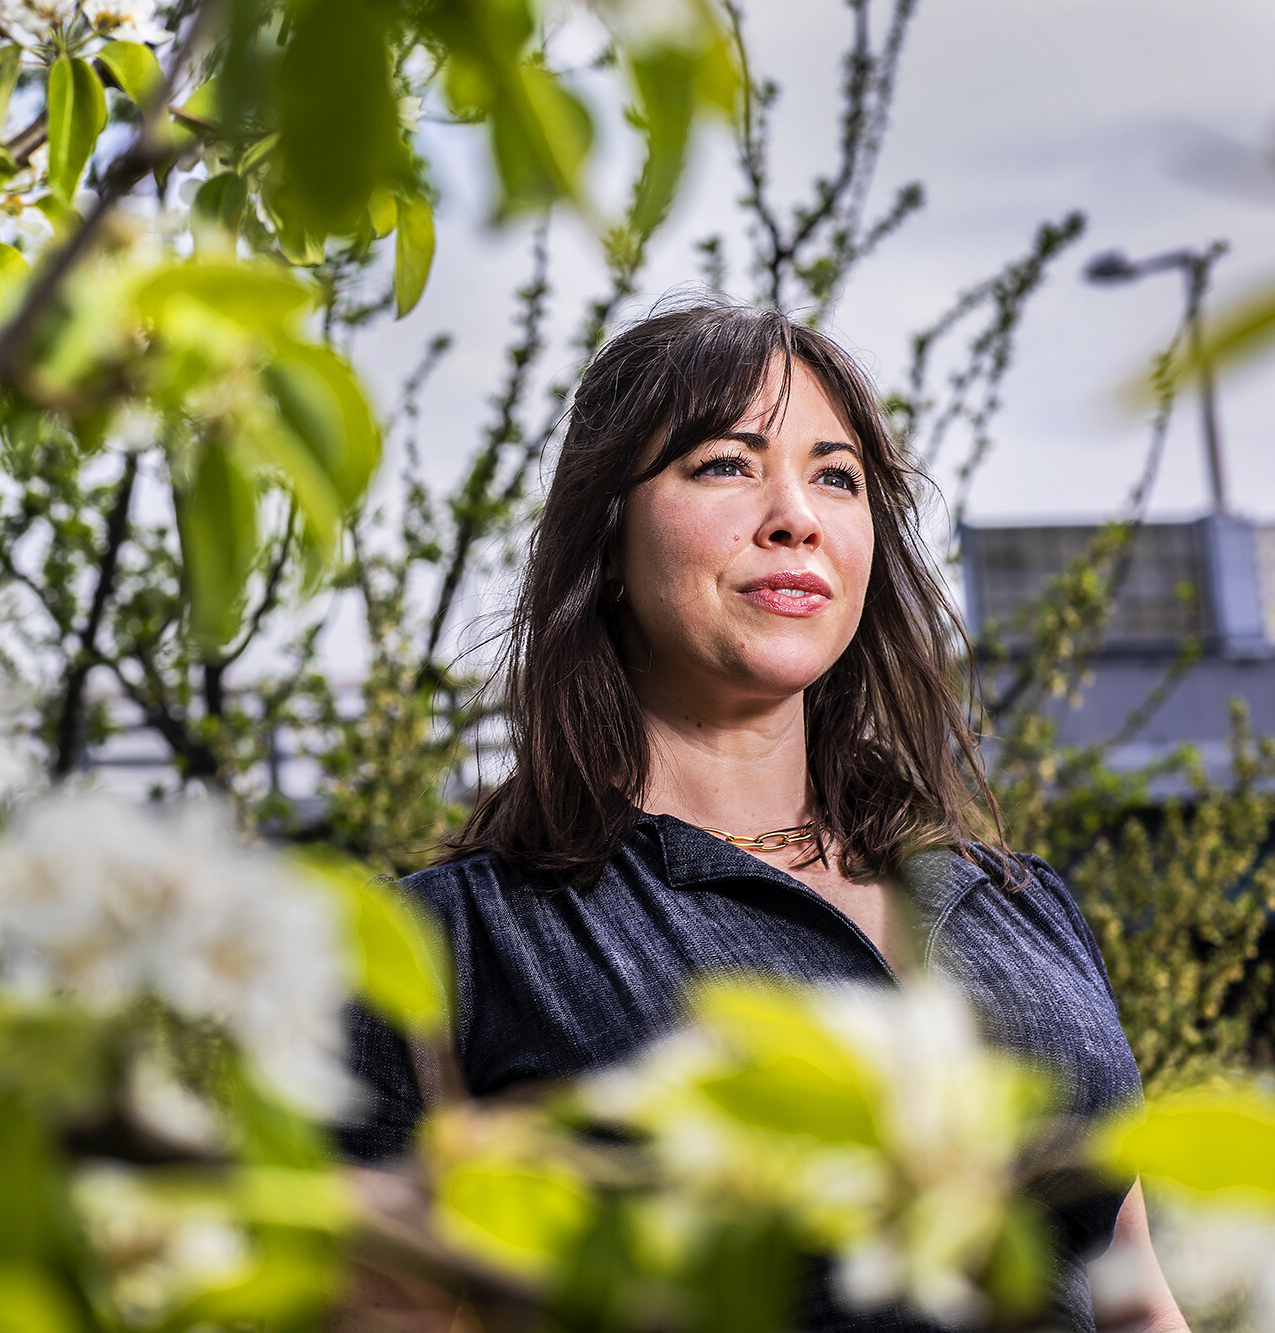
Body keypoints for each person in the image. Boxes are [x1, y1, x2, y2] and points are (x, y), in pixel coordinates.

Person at [338, 303, 1187, 1332]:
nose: (795, 516)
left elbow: (1133, 1297)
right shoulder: (445, 948)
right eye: (723, 466)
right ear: (605, 540)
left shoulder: (1019, 901)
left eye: (834, 476)